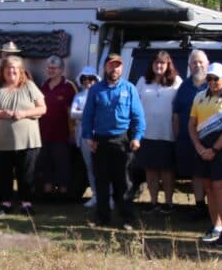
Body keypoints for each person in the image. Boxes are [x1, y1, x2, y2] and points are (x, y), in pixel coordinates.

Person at [82, 53, 146, 230]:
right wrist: (88, 137)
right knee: (101, 182)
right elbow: (88, 115)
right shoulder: (96, 90)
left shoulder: (129, 89)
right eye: (111, 65)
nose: (115, 69)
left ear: (122, 68)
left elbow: (138, 116)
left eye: (118, 65)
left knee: (123, 182)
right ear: (105, 67)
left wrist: (137, 137)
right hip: (100, 141)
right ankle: (102, 218)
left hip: (122, 140)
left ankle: (127, 219)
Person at [0, 55, 46, 217]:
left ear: (21, 71)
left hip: (27, 141)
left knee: (26, 174)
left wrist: (24, 113)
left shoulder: (29, 86)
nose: (11, 71)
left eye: (15, 69)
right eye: (8, 68)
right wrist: (0, 113)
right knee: (1, 174)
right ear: (2, 71)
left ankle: (26, 204)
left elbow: (42, 108)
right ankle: (5, 204)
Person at [187, 62, 222, 247]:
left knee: (220, 187)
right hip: (202, 148)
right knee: (208, 188)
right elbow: (191, 125)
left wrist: (214, 150)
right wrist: (200, 148)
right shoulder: (199, 96)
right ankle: (215, 227)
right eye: (209, 78)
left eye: (215, 79)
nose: (212, 82)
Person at [135, 50, 182, 214]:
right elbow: (135, 105)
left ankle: (168, 203)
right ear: (152, 65)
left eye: (163, 63)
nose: (159, 65)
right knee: (151, 170)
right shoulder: (142, 81)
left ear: (168, 65)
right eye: (156, 62)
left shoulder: (176, 81)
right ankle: (153, 201)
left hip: (167, 133)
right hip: (147, 133)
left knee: (167, 170)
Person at [174, 50, 210, 220]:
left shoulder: (214, 83)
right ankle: (200, 206)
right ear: (189, 66)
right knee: (196, 173)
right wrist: (176, 135)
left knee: (210, 174)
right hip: (188, 138)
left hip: (210, 139)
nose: (198, 65)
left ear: (207, 64)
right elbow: (176, 112)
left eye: (201, 62)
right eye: (194, 62)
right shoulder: (184, 86)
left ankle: (214, 208)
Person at [38, 55, 78, 198]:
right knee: (46, 163)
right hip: (44, 133)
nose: (51, 70)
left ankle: (62, 193)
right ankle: (48, 192)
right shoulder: (43, 85)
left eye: (54, 68)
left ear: (61, 69)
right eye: (49, 68)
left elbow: (74, 111)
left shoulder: (69, 87)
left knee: (62, 164)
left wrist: (73, 132)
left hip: (62, 134)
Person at [70, 66, 102, 208]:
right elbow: (72, 113)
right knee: (90, 166)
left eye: (91, 79)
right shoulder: (79, 96)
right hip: (84, 136)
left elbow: (101, 114)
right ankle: (95, 196)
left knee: (103, 167)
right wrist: (89, 114)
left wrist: (83, 113)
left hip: (100, 136)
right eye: (84, 79)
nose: (88, 82)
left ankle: (108, 196)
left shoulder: (100, 94)